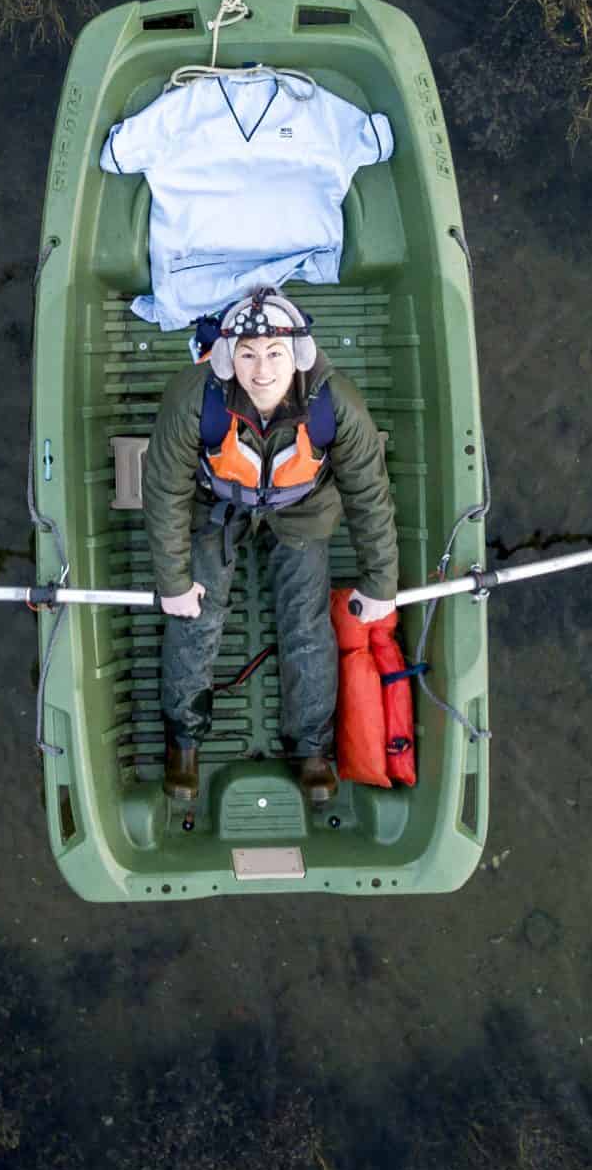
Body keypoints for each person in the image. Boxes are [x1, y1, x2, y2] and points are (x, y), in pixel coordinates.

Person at [141, 285, 399, 808]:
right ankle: (184, 739)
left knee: (306, 622)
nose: (262, 370)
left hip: (302, 508)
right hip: (215, 507)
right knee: (195, 617)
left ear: (297, 355)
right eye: (249, 354)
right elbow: (165, 490)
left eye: (276, 354)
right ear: (227, 356)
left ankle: (311, 747)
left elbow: (369, 493)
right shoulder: (194, 399)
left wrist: (381, 584)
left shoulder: (336, 403)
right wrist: (173, 583)